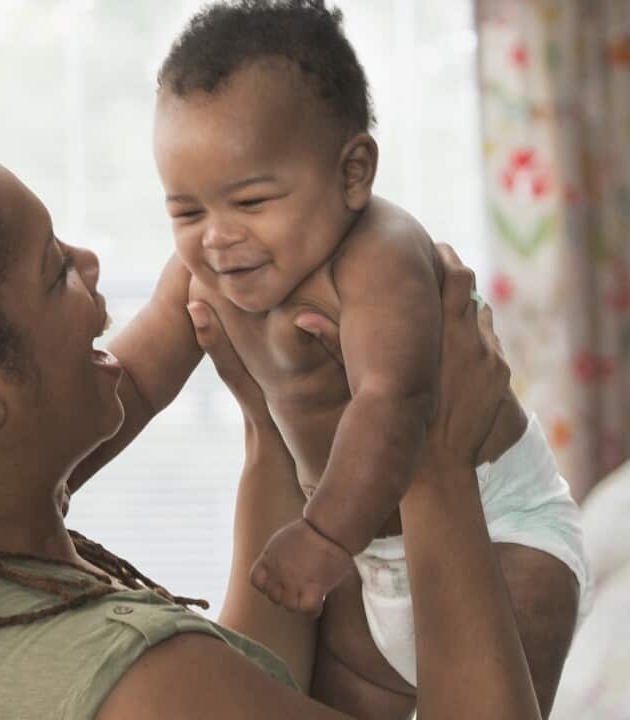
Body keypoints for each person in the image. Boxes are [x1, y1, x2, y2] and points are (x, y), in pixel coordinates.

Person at [0, 144, 540, 719]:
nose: (92, 265)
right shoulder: (145, 680)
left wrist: (270, 429)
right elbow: (195, 688)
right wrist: (431, 458)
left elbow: (248, 678)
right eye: (57, 270)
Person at [148, 1, 590, 714]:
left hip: (497, 526)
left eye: (252, 201)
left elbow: (395, 401)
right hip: (362, 555)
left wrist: (321, 536)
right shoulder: (207, 272)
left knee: (505, 676)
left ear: (353, 172)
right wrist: (62, 464)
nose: (217, 238)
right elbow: (134, 377)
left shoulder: (380, 256)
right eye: (187, 212)